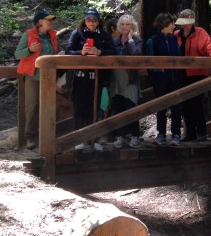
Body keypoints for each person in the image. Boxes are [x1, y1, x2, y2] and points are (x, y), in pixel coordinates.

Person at [65, 8, 118, 151]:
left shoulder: (104, 35)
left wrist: (100, 52)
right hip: (79, 78)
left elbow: (114, 51)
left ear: (98, 21)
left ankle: (93, 139)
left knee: (94, 108)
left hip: (97, 78)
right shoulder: (77, 34)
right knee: (79, 108)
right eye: (89, 20)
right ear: (84, 20)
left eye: (94, 20)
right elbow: (68, 51)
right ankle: (78, 139)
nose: (91, 23)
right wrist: (80, 53)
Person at [15, 10, 58, 150]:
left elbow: (53, 54)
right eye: (48, 20)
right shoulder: (28, 35)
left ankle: (46, 136)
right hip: (32, 76)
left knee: (47, 106)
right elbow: (17, 54)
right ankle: (30, 137)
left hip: (49, 78)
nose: (51, 22)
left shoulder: (52, 36)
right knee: (32, 107)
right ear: (40, 22)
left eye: (51, 20)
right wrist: (29, 50)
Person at [175, 9, 211, 142]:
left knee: (196, 103)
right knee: (185, 104)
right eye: (182, 22)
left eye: (187, 22)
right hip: (181, 74)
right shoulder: (176, 34)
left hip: (197, 73)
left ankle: (202, 133)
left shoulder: (200, 32)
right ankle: (190, 134)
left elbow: (209, 47)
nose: (184, 25)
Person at [145, 13, 182, 145]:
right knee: (161, 105)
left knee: (176, 106)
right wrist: (157, 70)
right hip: (160, 78)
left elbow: (178, 57)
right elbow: (149, 62)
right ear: (164, 24)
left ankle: (176, 134)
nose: (174, 25)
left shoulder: (174, 39)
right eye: (171, 23)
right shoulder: (153, 40)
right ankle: (161, 134)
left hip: (174, 77)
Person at [108, 14, 143, 148]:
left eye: (127, 24)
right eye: (122, 24)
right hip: (116, 78)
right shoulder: (115, 41)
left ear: (132, 26)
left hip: (131, 79)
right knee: (118, 107)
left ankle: (134, 135)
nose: (124, 27)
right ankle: (120, 136)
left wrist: (130, 41)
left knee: (131, 106)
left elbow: (136, 54)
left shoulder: (137, 40)